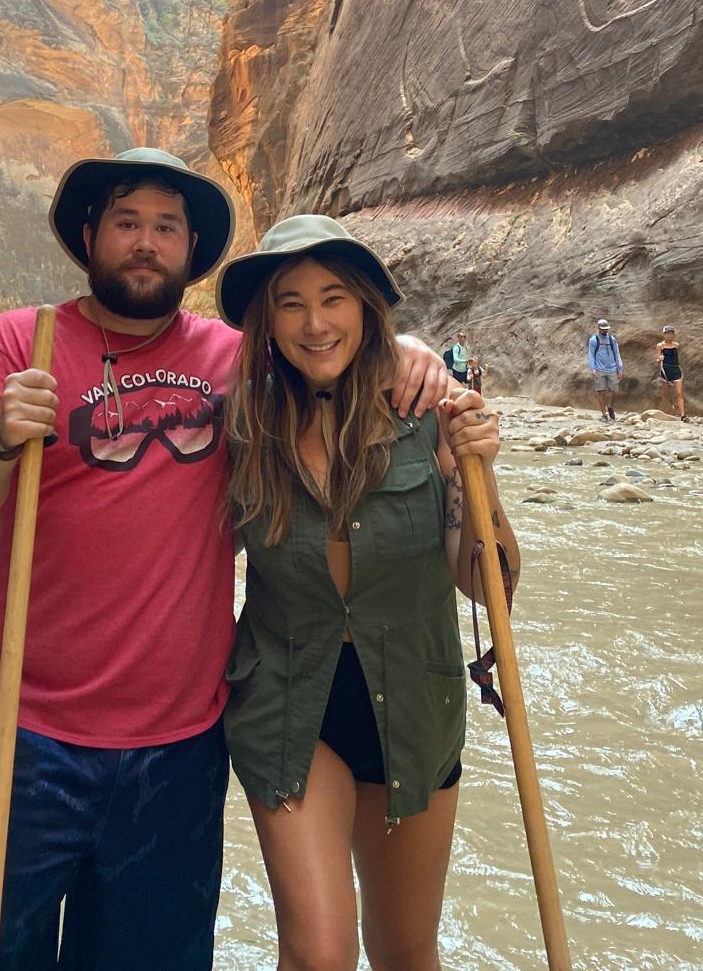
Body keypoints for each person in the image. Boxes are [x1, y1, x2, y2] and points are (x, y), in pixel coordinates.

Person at [0, 148, 452, 970]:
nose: (145, 243)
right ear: (90, 233)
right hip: (29, 735)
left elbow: (331, 347)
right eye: (127, 222)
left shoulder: (236, 360)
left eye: (166, 227)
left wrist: (411, 349)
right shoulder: (21, 342)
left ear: (190, 247)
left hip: (181, 746)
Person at [218, 215, 520, 971]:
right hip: (288, 702)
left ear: (366, 308)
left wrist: (477, 473)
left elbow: (488, 586)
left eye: (334, 298)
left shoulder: (429, 417)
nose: (315, 323)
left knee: (406, 952)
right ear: (267, 320)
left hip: (413, 705)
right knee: (319, 955)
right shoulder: (242, 425)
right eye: (290, 303)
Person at [587, 318, 623, 419]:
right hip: (599, 369)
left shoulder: (612, 340)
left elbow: (617, 353)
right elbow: (591, 355)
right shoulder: (594, 340)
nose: (605, 331)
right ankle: (604, 414)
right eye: (602, 329)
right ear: (598, 328)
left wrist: (620, 368)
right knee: (601, 391)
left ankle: (610, 407)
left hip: (612, 369)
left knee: (615, 390)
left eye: (606, 329)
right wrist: (593, 368)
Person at [657, 325, 687, 420]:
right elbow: (658, 358)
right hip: (665, 371)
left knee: (679, 393)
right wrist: (659, 358)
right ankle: (666, 413)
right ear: (664, 334)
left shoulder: (676, 345)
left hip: (676, 370)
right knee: (666, 394)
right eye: (667, 333)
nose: (669, 335)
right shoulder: (660, 346)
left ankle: (682, 415)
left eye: (671, 333)